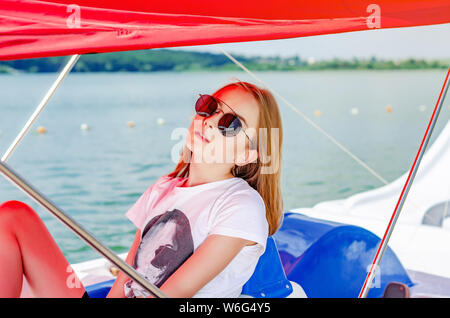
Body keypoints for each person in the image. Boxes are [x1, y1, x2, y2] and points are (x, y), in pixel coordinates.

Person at [0, 80, 284, 298]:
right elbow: (127, 276)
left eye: (230, 124)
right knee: (13, 215)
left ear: (247, 155)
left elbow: (173, 294)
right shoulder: (163, 188)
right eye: (210, 106)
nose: (209, 120)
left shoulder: (241, 204)